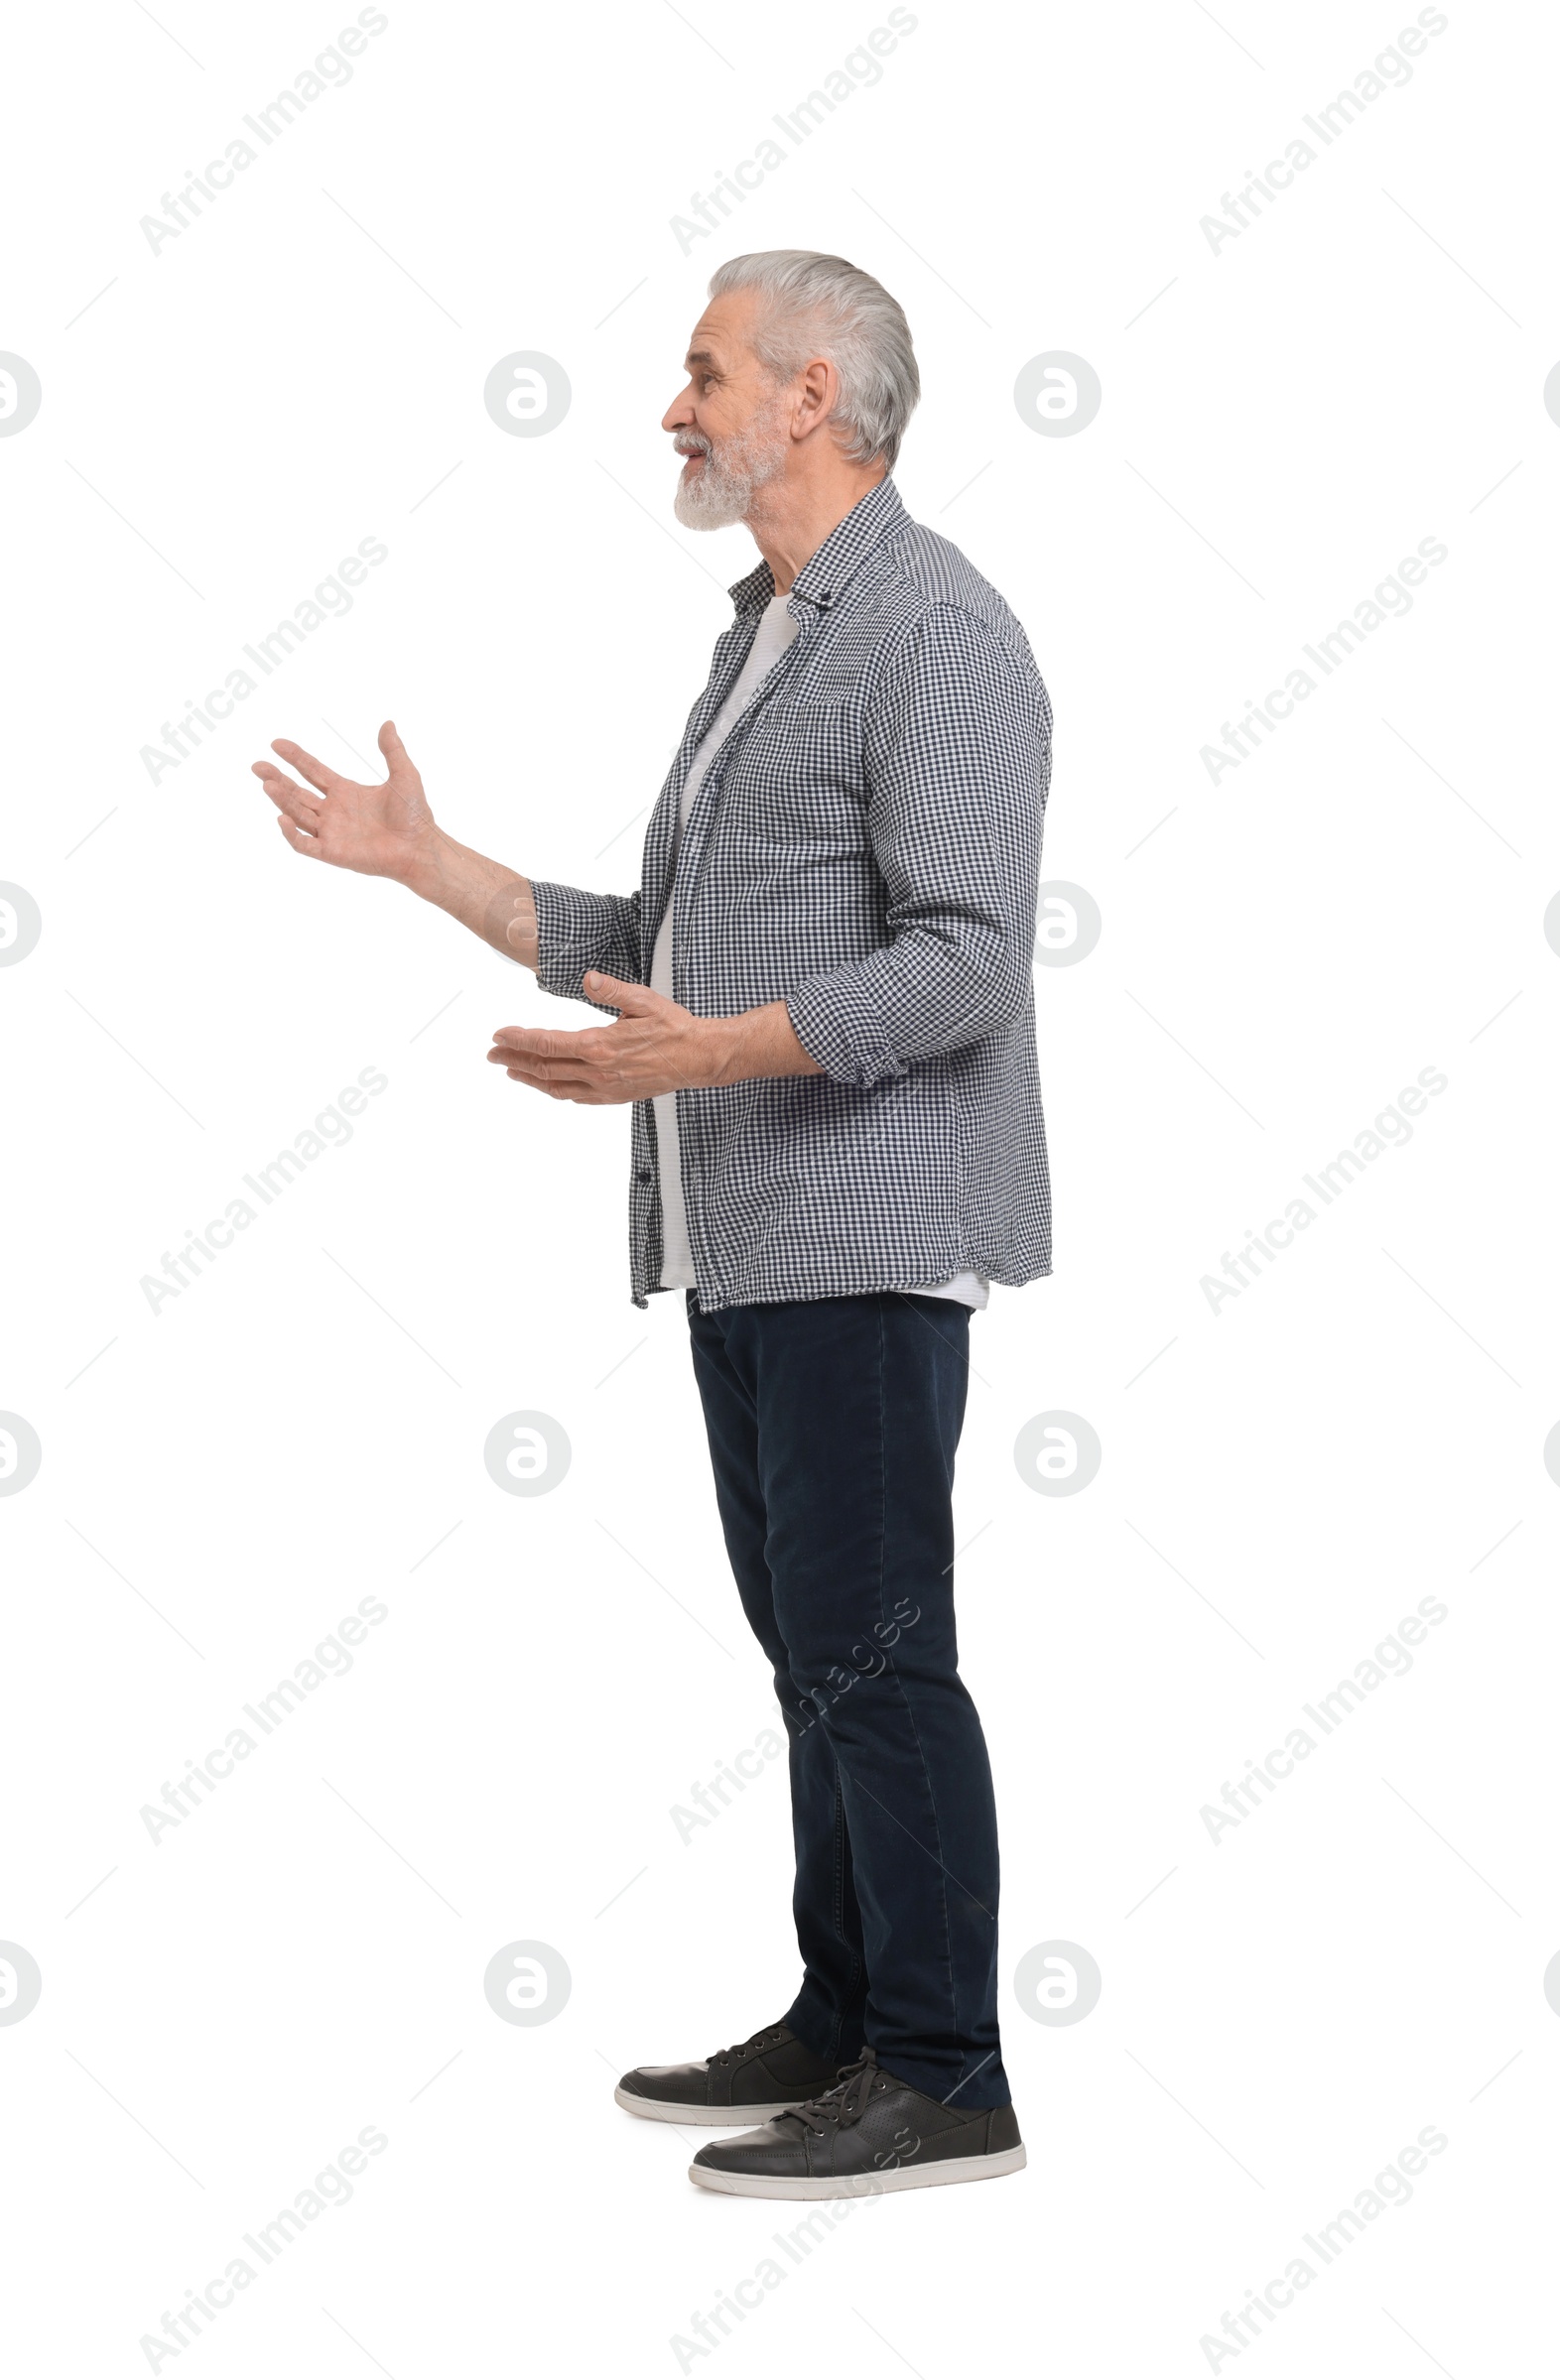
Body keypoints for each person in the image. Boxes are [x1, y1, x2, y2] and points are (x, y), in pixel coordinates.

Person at [253, 249, 1052, 2198]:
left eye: (701, 372)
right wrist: (427, 865)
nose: (673, 407)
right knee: (811, 1655)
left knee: (876, 1656)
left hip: (864, 1236)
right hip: (748, 1243)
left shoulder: (930, 631)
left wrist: (711, 1060)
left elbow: (962, 963)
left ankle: (942, 2074)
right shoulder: (766, 631)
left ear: (809, 393)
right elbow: (661, 956)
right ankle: (848, 2009)